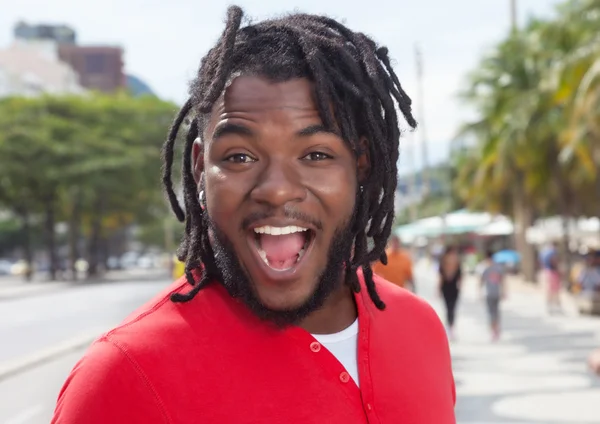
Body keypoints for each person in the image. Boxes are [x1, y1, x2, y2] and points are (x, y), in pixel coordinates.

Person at [51, 7, 455, 423]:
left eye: (316, 154)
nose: (277, 188)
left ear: (362, 165)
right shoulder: (124, 375)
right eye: (239, 156)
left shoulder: (419, 328)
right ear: (199, 170)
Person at [479, 249, 506, 341]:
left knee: (496, 312)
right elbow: (481, 281)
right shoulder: (485, 269)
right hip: (488, 294)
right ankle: (493, 330)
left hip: (496, 293)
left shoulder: (497, 268)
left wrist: (504, 291)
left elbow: (502, 281)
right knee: (491, 313)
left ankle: (496, 329)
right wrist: (479, 292)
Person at [439, 246, 462, 340]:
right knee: (448, 308)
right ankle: (450, 327)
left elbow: (460, 276)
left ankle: (451, 327)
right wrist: (438, 289)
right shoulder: (443, 264)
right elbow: (440, 277)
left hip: (454, 288)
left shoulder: (457, 263)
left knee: (452, 308)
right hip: (446, 288)